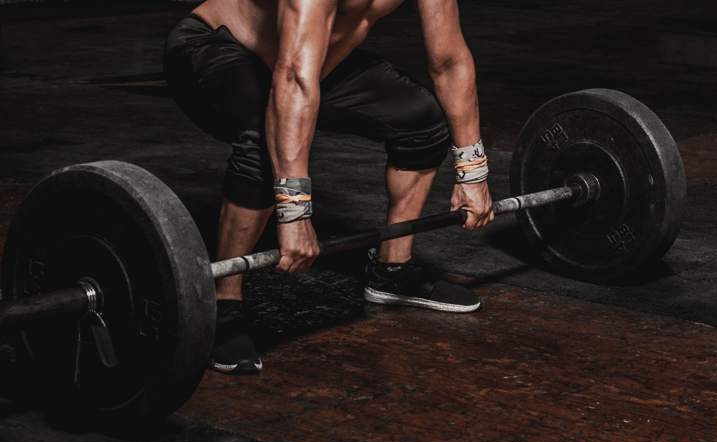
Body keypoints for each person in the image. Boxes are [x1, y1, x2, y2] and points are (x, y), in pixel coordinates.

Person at [163, 0, 494, 375]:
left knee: (422, 120)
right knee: (265, 145)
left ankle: (393, 270)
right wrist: (294, 211)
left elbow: (449, 61)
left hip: (311, 60)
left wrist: (473, 172)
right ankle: (223, 303)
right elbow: (293, 78)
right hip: (215, 48)